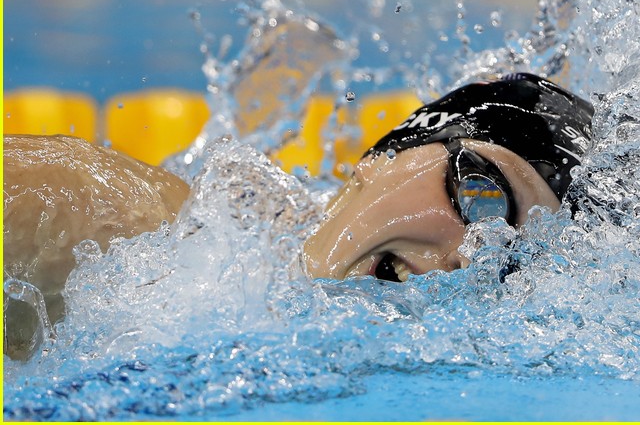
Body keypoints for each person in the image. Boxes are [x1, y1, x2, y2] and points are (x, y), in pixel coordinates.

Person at [2, 72, 594, 358]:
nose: (472, 254)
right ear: (386, 157)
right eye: (485, 199)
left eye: (510, 263)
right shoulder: (117, 222)